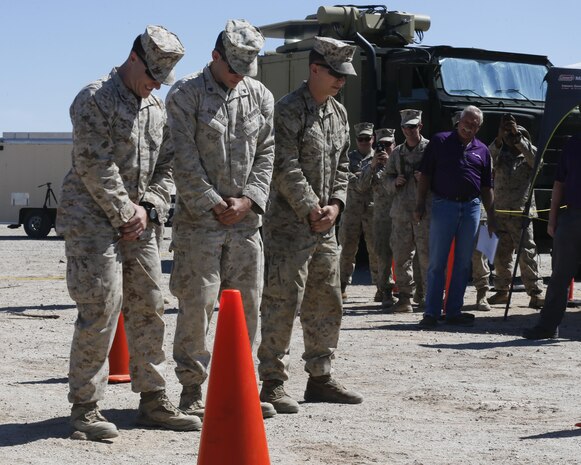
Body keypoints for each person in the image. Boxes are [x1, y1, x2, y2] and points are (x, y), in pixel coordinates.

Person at [56, 26, 200, 441]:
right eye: (152, 74)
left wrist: (150, 206)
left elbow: (168, 167)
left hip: (140, 224)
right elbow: (93, 164)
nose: (155, 83)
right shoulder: (95, 98)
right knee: (100, 309)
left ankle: (154, 399)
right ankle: (85, 407)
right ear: (134, 57)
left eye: (161, 78)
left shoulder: (155, 109)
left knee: (151, 306)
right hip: (91, 223)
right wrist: (126, 212)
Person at [165, 20, 276, 419]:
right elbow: (182, 157)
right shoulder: (185, 94)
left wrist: (249, 200)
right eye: (233, 68)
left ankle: (240, 390)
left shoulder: (260, 96)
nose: (239, 77)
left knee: (247, 310)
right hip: (200, 225)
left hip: (246, 225)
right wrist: (213, 202)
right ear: (215, 57)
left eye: (247, 69)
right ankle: (191, 392)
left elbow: (266, 154)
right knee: (197, 308)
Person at [257, 36, 364, 414]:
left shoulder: (339, 114)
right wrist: (310, 208)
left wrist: (336, 205)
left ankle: (321, 377)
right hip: (290, 228)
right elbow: (282, 164)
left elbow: (344, 167)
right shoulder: (287, 111)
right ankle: (272, 382)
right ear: (315, 68)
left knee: (327, 301)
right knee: (282, 302)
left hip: (325, 228)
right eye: (335, 74)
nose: (341, 81)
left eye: (345, 75)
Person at [415, 105, 497, 328]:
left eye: (474, 124)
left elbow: (487, 186)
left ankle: (453, 311)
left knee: (462, 264)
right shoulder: (439, 142)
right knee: (437, 262)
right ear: (459, 120)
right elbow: (426, 175)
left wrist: (491, 214)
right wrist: (420, 203)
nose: (469, 127)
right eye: (466, 121)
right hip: (444, 206)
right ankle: (431, 313)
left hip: (471, 207)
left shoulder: (482, 151)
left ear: (479, 127)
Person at [522, 132, 581, 339]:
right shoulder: (573, 143)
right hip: (572, 216)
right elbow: (559, 183)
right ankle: (548, 327)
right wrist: (552, 218)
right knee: (559, 276)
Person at [486, 114, 544, 308]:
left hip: (521, 213)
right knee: (500, 255)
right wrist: (499, 138)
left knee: (526, 253)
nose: (512, 139)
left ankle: (535, 293)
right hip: (501, 212)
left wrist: (518, 138)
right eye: (509, 135)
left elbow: (537, 161)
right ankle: (501, 290)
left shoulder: (529, 155)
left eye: (516, 136)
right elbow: (485, 158)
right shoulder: (499, 155)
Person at [381, 109, 430, 313]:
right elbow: (385, 179)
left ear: (420, 126)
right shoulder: (397, 153)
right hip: (401, 212)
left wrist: (427, 180)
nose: (409, 130)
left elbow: (442, 177)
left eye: (413, 126)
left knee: (427, 257)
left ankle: (429, 297)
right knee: (401, 256)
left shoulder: (430, 149)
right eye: (406, 127)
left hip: (424, 212)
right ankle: (405, 298)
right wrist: (395, 182)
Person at [339, 122, 379, 301]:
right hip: (352, 211)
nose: (364, 142)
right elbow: (359, 185)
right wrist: (370, 171)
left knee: (376, 250)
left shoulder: (381, 158)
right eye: (361, 139)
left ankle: (382, 287)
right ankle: (341, 286)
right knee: (347, 249)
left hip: (373, 210)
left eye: (367, 138)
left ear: (373, 139)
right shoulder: (347, 160)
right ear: (356, 140)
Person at [359, 128, 398, 308]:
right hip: (382, 216)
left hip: (401, 213)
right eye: (380, 145)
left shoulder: (400, 159)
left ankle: (412, 291)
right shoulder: (370, 164)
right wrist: (373, 165)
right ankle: (385, 291)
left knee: (405, 254)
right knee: (383, 255)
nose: (385, 149)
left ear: (394, 144)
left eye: (388, 144)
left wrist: (390, 164)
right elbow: (361, 186)